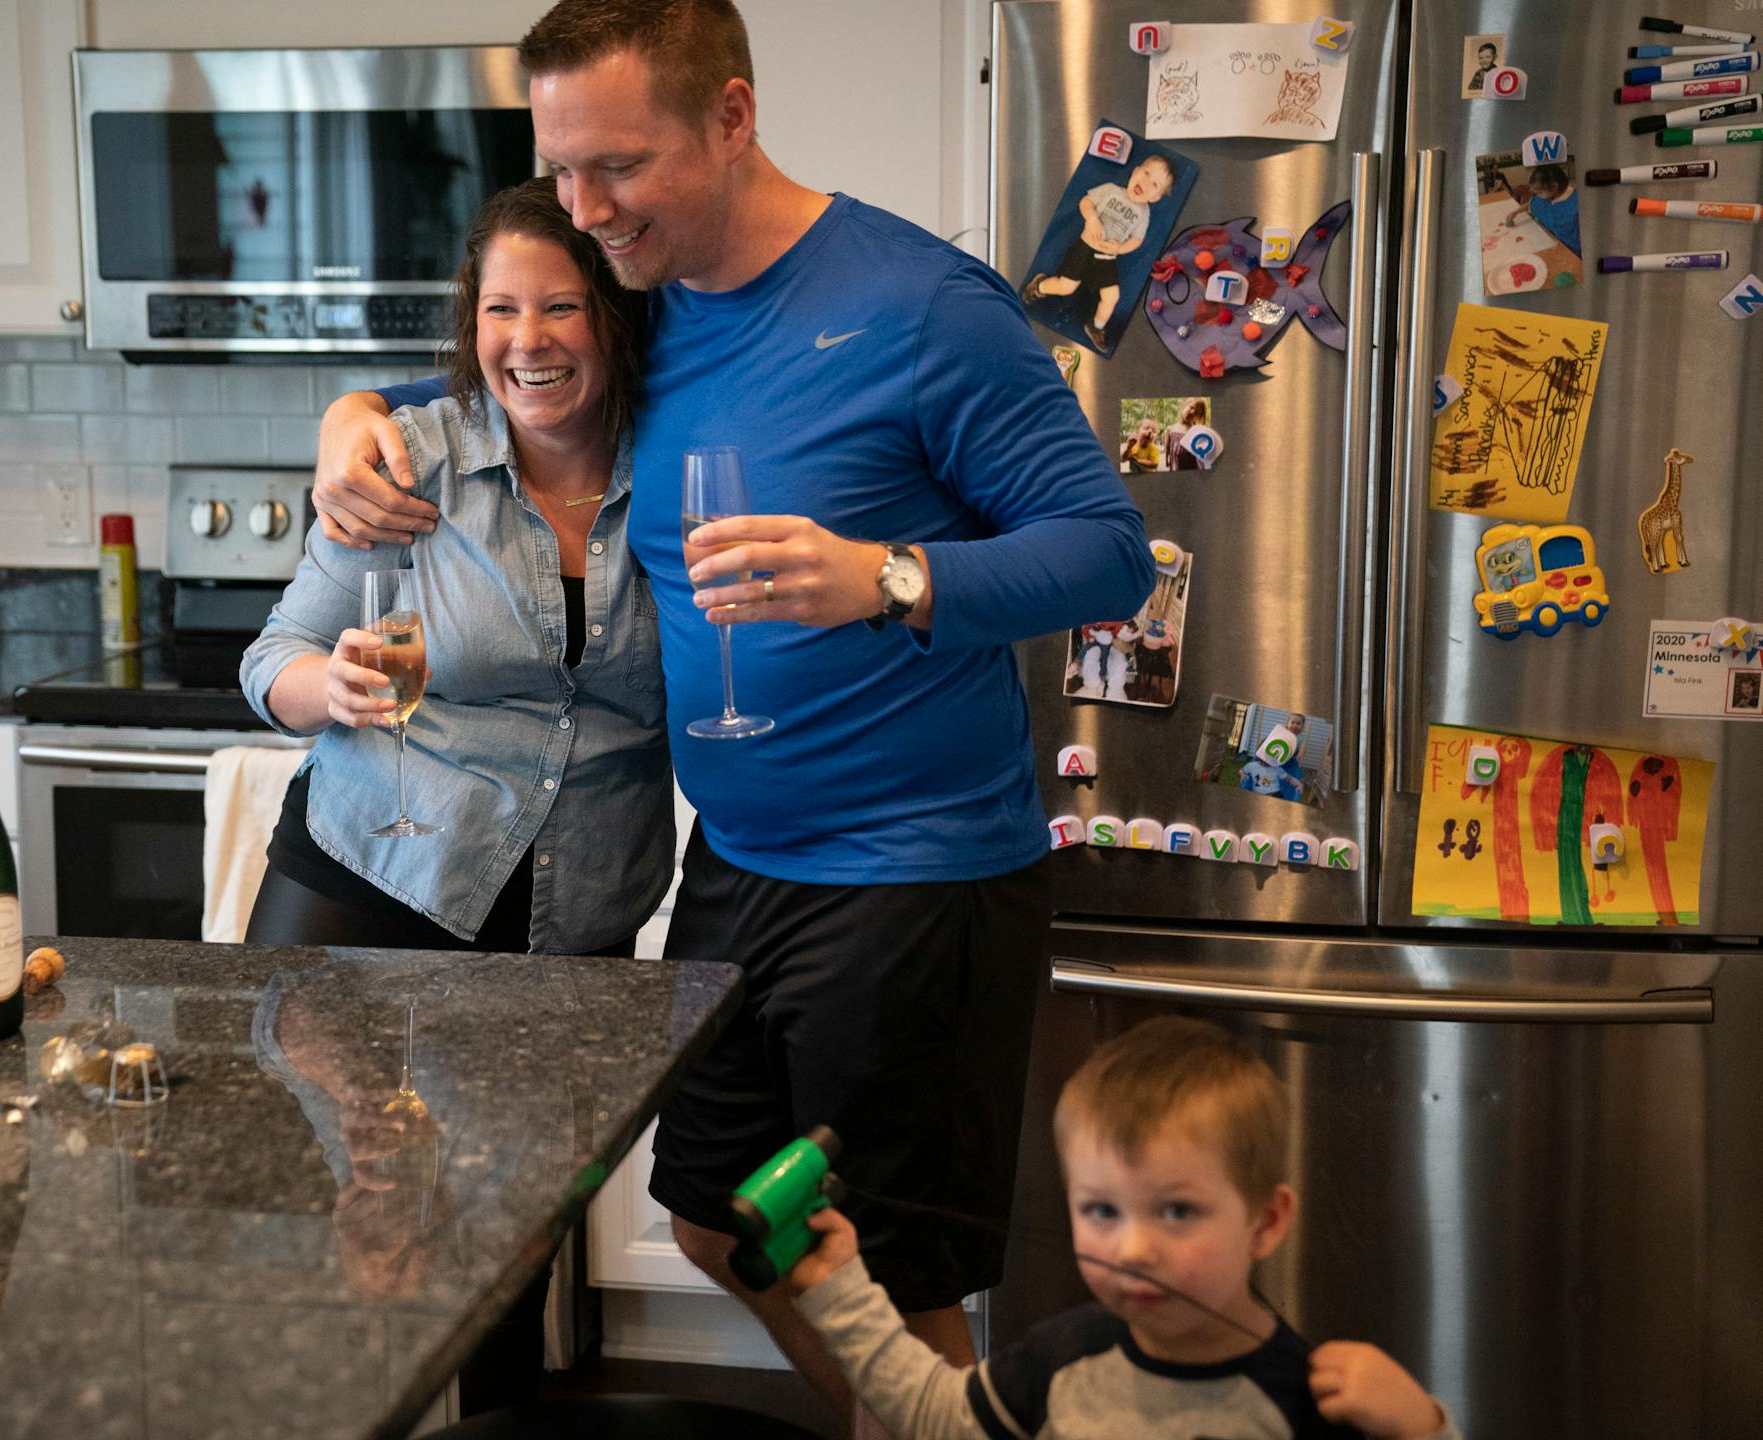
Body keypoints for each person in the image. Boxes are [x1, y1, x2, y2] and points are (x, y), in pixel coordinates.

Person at [303, 3, 1154, 1431]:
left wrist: (884, 576)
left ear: (733, 119)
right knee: (715, 1220)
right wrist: (350, 414)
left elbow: (1108, 552)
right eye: (560, 170)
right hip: (741, 866)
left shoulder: (922, 307)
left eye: (617, 168)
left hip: (915, 875)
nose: (585, 211)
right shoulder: (646, 303)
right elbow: (492, 376)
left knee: (880, 1266)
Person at [239, 174, 672, 959]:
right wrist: (328, 687)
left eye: (561, 306)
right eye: (500, 309)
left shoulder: (675, 473)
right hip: (370, 873)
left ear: (614, 317)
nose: (527, 338)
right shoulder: (410, 462)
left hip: (581, 912)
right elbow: (273, 657)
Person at [787, 1018, 1463, 1440]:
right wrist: (843, 1289)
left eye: (1176, 1211)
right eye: (1103, 1212)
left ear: (1266, 1221)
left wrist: (1423, 1428)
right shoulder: (1065, 1355)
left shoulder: (1308, 1400)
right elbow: (942, 1417)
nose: (1134, 1250)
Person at [1021, 153, 1178, 348]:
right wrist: (1092, 219)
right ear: (1135, 171)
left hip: (1107, 257)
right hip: (1085, 248)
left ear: (1155, 197)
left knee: (1112, 297)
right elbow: (1085, 202)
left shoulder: (1144, 213)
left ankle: (1096, 325)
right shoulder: (1111, 190)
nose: (1145, 183)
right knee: (1066, 287)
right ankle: (1040, 285)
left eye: (1154, 184)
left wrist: (1121, 248)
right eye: (1146, 173)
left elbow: (1137, 240)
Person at [1519, 164, 1579, 256]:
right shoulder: (1546, 195)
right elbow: (1532, 203)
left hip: (1571, 253)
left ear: (1554, 187)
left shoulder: (1576, 205)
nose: (1537, 196)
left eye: (1539, 192)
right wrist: (1515, 212)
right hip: (1547, 241)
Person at [1161, 396, 1209, 471]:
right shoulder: (1170, 429)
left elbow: (1201, 454)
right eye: (1191, 407)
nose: (1192, 412)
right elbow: (1167, 447)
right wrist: (1166, 459)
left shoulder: (1195, 432)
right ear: (1184, 405)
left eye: (1196, 413)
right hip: (1175, 466)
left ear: (1198, 417)